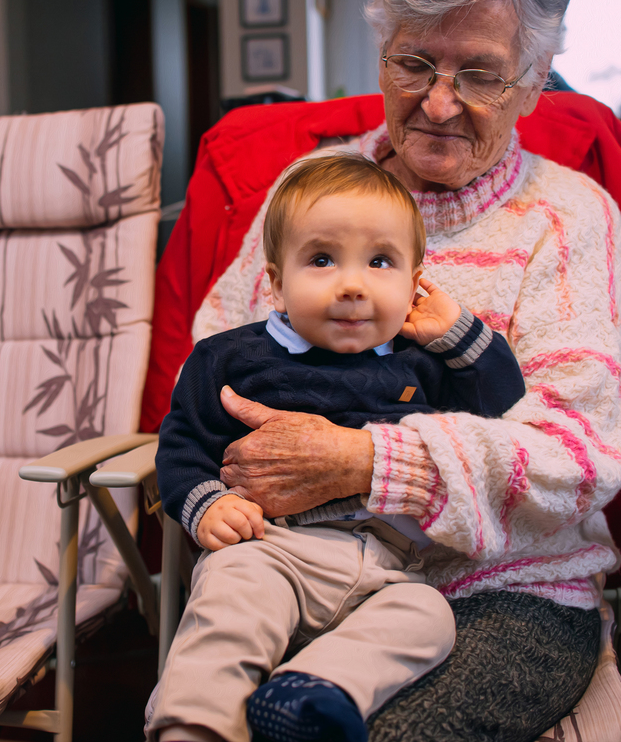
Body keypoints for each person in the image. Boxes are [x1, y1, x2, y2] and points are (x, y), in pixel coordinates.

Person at [148, 0, 621, 739]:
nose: (439, 105)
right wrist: (223, 500)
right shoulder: (306, 190)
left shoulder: (569, 217)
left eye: (479, 75)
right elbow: (213, 375)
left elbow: (577, 453)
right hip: (291, 560)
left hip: (506, 590)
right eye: (413, 62)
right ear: (380, 51)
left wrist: (366, 463)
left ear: (537, 77)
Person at [147, 154, 527, 742]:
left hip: (389, 566)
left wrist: (453, 330)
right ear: (276, 281)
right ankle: (195, 727)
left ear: (413, 281)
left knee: (429, 621)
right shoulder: (232, 359)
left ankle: (312, 693)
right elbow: (180, 445)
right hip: (272, 546)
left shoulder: (420, 363)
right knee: (230, 600)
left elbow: (502, 402)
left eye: (381, 262)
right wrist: (207, 504)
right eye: (321, 260)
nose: (352, 285)